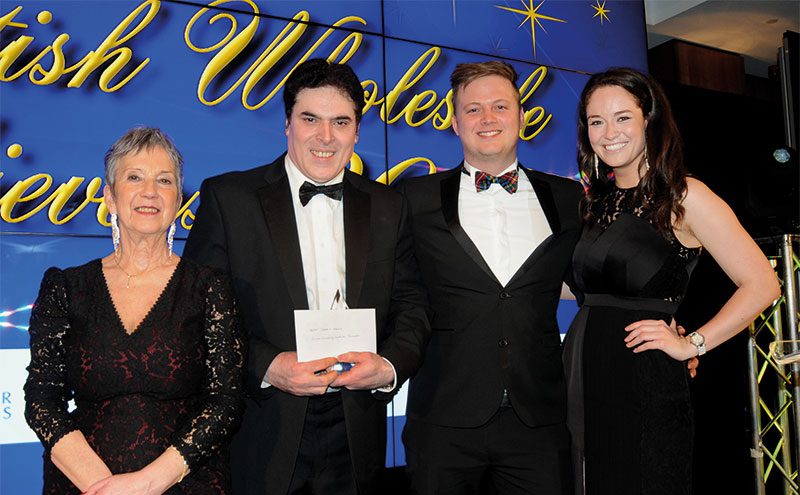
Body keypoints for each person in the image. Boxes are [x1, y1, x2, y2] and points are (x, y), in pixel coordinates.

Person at [183, 59, 429, 495]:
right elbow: (198, 315)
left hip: (357, 426)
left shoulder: (390, 207)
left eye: (341, 122)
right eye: (310, 119)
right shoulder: (229, 199)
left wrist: (388, 366)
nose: (325, 136)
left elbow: (412, 305)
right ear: (287, 124)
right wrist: (270, 367)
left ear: (357, 131)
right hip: (264, 422)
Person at [562, 67, 780, 495]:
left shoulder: (684, 195)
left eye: (623, 117)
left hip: (644, 379)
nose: (609, 133)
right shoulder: (595, 203)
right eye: (596, 121)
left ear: (650, 119)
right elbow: (585, 288)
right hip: (583, 373)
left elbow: (763, 284)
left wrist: (691, 343)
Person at [24, 127, 245, 495]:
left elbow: (225, 403)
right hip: (85, 487)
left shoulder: (209, 287)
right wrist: (103, 486)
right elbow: (42, 400)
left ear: (177, 199)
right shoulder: (66, 287)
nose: (150, 192)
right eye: (134, 177)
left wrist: (145, 485)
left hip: (186, 484)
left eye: (164, 180)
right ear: (110, 197)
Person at [398, 61, 582, 494]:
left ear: (521, 116)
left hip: (538, 416)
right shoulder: (412, 198)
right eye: (474, 109)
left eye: (501, 106)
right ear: (455, 121)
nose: (488, 119)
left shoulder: (569, 198)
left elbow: (595, 280)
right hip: (442, 416)